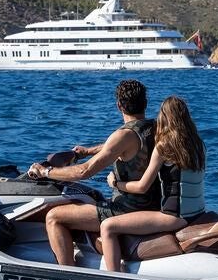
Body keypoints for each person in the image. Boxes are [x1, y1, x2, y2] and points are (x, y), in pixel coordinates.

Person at [27, 79, 161, 266]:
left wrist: (45, 171)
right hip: (154, 205)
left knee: (54, 217)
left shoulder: (123, 135)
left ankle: (68, 277)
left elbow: (84, 171)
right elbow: (118, 148)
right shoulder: (157, 128)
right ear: (145, 103)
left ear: (119, 105)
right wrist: (88, 151)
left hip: (127, 210)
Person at [99, 96, 206, 272]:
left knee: (108, 226)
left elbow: (142, 187)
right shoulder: (198, 144)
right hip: (198, 213)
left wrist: (116, 183)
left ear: (164, 117)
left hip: (173, 218)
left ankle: (115, 278)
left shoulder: (164, 146)